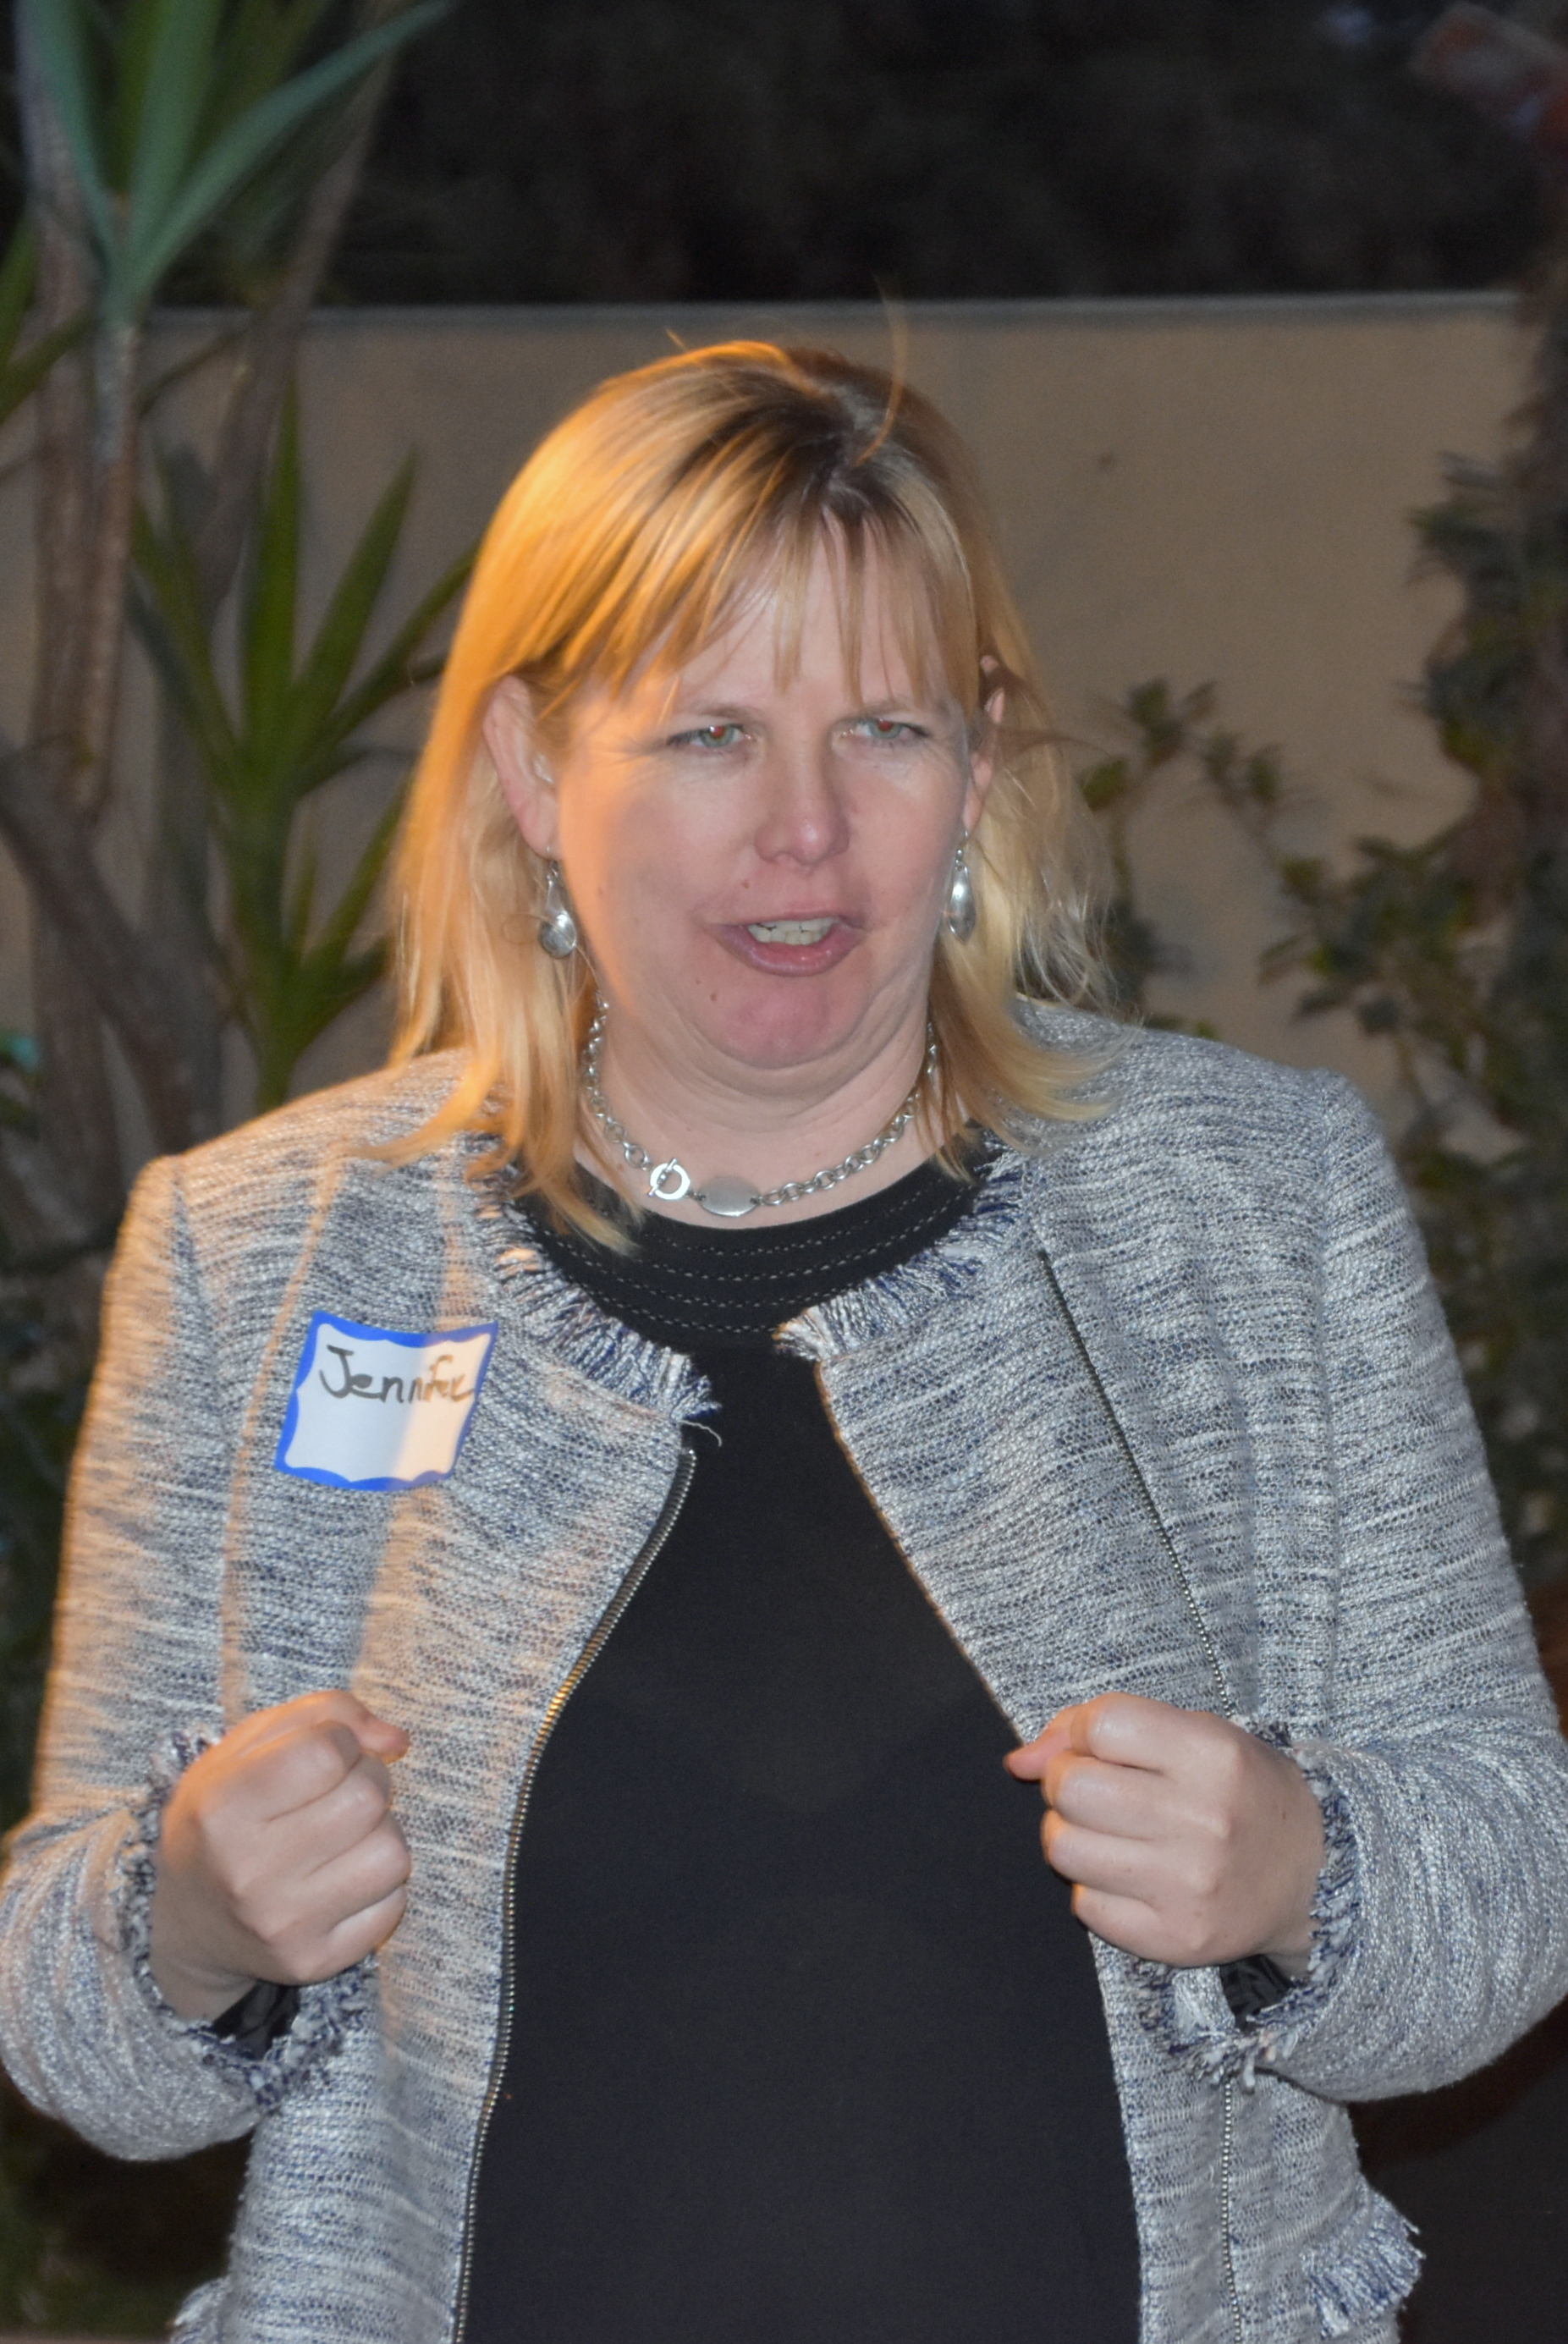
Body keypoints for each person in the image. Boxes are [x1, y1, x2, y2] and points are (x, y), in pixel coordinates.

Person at [2, 341, 1565, 2344]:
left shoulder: (1252, 1202)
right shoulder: (265, 1248)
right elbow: (74, 2021)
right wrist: (191, 1910)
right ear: (533, 772)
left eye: (885, 728)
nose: (806, 829)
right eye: (712, 733)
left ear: (979, 766)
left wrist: (1298, 1870)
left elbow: (1508, 1886)